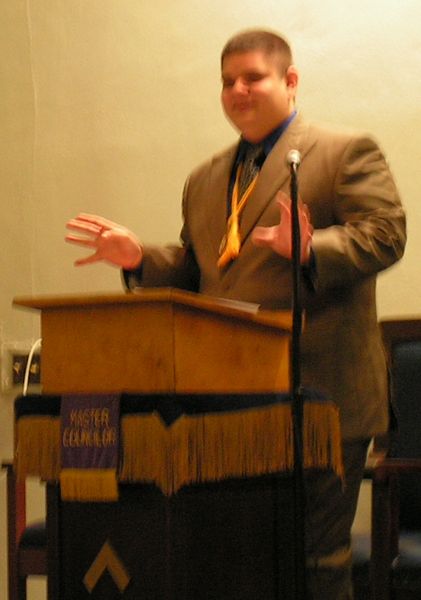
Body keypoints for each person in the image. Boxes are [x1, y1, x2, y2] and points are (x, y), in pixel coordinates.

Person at [66, 29, 406, 599]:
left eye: (253, 78)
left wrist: (312, 249)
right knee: (240, 560)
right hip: (233, 405)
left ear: (290, 81)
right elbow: (200, 270)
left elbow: (387, 236)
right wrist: (139, 258)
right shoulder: (205, 178)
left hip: (321, 397)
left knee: (315, 561)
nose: (238, 91)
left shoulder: (343, 151)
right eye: (227, 81)